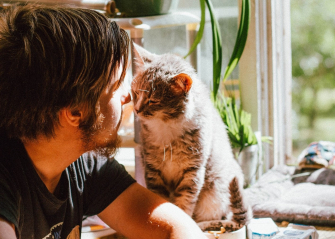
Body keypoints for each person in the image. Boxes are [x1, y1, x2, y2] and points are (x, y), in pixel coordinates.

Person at [0, 4, 207, 239]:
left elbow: (177, 228)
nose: (127, 97)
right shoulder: (6, 183)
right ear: (76, 111)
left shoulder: (83, 163)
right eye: (116, 86)